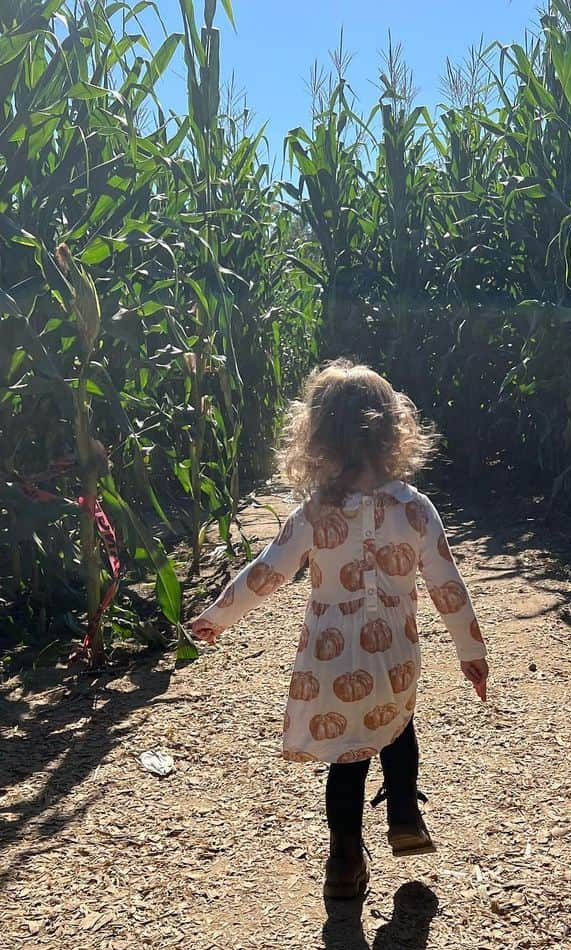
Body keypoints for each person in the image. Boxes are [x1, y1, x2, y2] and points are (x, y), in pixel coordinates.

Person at [191, 359, 488, 901]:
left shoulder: (313, 512)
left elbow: (267, 572)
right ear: (394, 431)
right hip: (394, 652)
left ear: (317, 436)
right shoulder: (415, 509)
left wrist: (217, 616)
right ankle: (402, 813)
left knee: (347, 761)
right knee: (398, 726)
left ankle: (345, 862)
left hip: (329, 657)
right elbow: (448, 585)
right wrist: (472, 650)